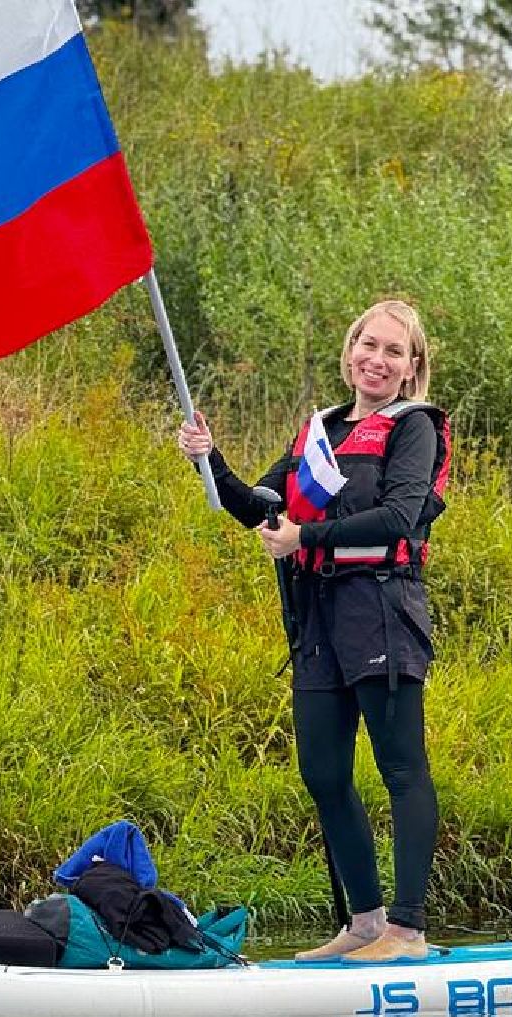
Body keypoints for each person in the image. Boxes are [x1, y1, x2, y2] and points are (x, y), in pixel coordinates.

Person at [176, 299, 452, 963]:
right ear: (350, 349)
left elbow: (399, 515)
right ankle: (364, 923)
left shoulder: (414, 428)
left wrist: (308, 535)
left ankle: (407, 933)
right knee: (323, 773)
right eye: (368, 345)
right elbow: (257, 509)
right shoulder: (319, 432)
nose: (376, 360)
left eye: (392, 352)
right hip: (319, 619)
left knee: (402, 769)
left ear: (412, 368)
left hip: (384, 609)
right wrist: (206, 461)